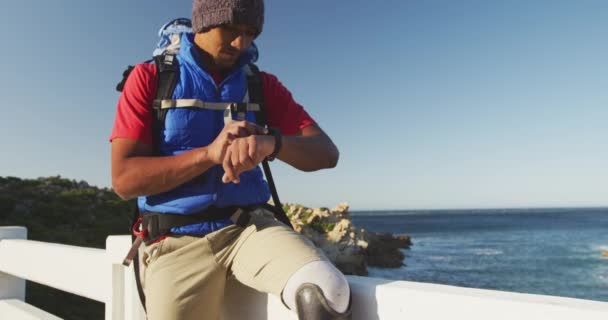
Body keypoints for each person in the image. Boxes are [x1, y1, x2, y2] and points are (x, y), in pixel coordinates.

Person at [109, 0, 352, 319]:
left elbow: (326, 153)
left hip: (248, 228)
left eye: (251, 32)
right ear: (203, 23)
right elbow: (124, 181)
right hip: (175, 240)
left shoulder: (260, 84)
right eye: (231, 30)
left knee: (326, 292)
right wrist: (210, 154)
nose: (242, 43)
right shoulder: (149, 78)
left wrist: (270, 143)